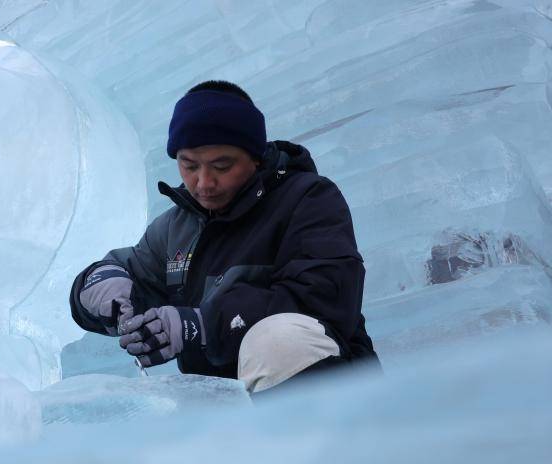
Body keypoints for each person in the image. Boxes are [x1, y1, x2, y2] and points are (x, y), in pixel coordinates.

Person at [69, 80, 378, 394]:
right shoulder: (175, 228)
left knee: (278, 341)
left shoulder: (308, 199)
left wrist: (201, 325)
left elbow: (323, 297)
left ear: (255, 156)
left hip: (335, 397)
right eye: (188, 165)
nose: (203, 183)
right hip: (223, 416)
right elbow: (128, 272)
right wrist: (96, 286)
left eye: (221, 165)